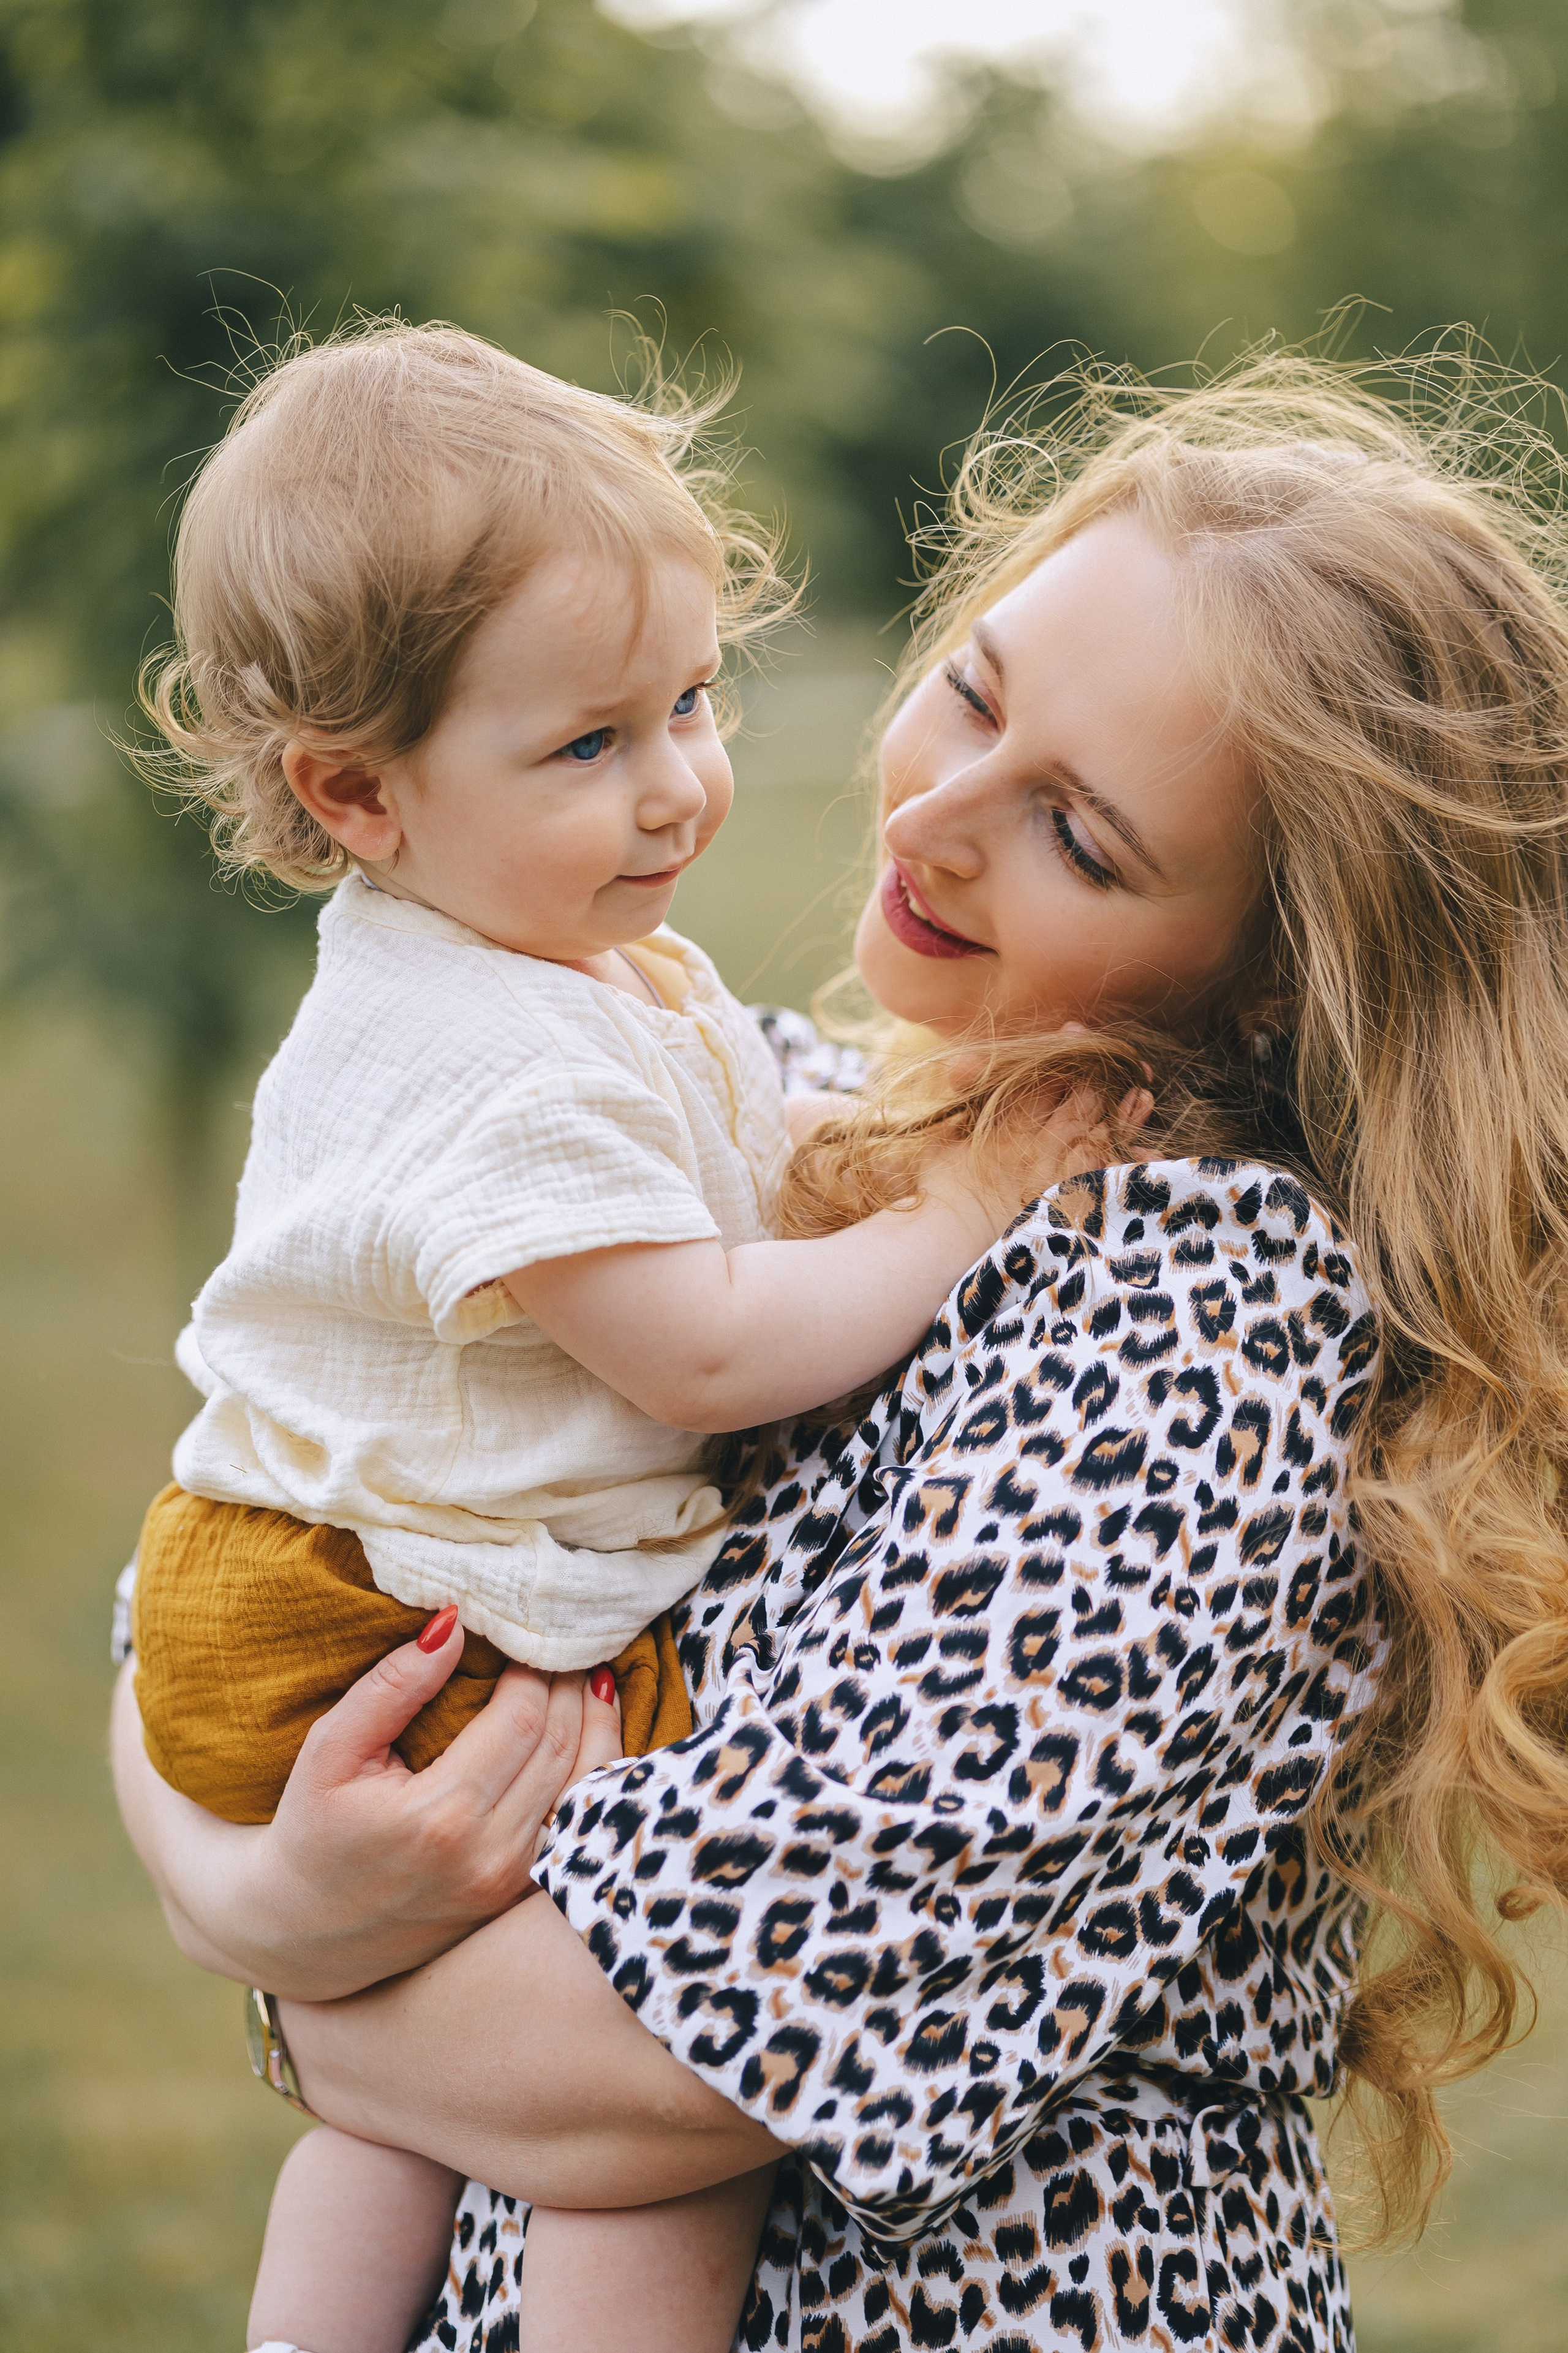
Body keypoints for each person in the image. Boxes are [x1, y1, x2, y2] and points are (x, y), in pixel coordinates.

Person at [114, 350, 1568, 2352]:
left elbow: (678, 2055)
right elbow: (249, 1535)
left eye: (1080, 831)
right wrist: (265, 1886)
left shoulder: (1212, 1322)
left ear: (1273, 968)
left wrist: (287, 1956)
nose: (942, 816)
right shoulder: (814, 1119)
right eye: (974, 691)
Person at [124, 319, 1115, 2353]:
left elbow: (749, 1152)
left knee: (394, 2121)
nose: (678, 785)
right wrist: (972, 1194)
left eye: (690, 699)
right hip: (374, 1613)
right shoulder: (494, 1055)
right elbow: (717, 1351)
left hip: (302, 1579)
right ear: (353, 791)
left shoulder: (545, 960)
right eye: (589, 745)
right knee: (658, 2119)